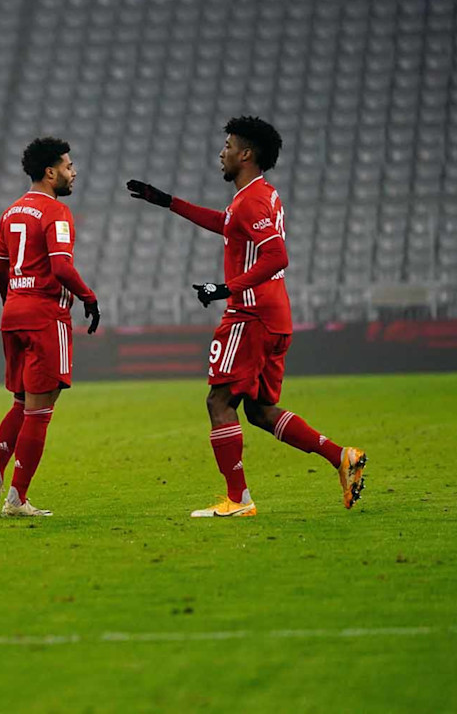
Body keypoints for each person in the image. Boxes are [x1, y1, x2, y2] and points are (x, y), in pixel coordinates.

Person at [126, 115, 367, 517]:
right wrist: (168, 201)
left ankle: (238, 500)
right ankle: (341, 456)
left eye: (228, 147)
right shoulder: (260, 196)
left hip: (251, 315)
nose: (221, 153)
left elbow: (276, 256)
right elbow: (226, 224)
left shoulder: (252, 200)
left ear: (246, 154)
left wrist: (225, 288)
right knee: (259, 410)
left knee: (219, 401)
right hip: (274, 316)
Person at [0, 138, 101, 517]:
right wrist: (89, 297)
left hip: (13, 314)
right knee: (40, 410)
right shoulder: (56, 212)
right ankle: (17, 499)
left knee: (21, 401)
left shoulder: (11, 212)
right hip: (46, 316)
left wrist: (13, 300)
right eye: (67, 166)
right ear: (50, 172)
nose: (73, 172)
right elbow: (61, 267)